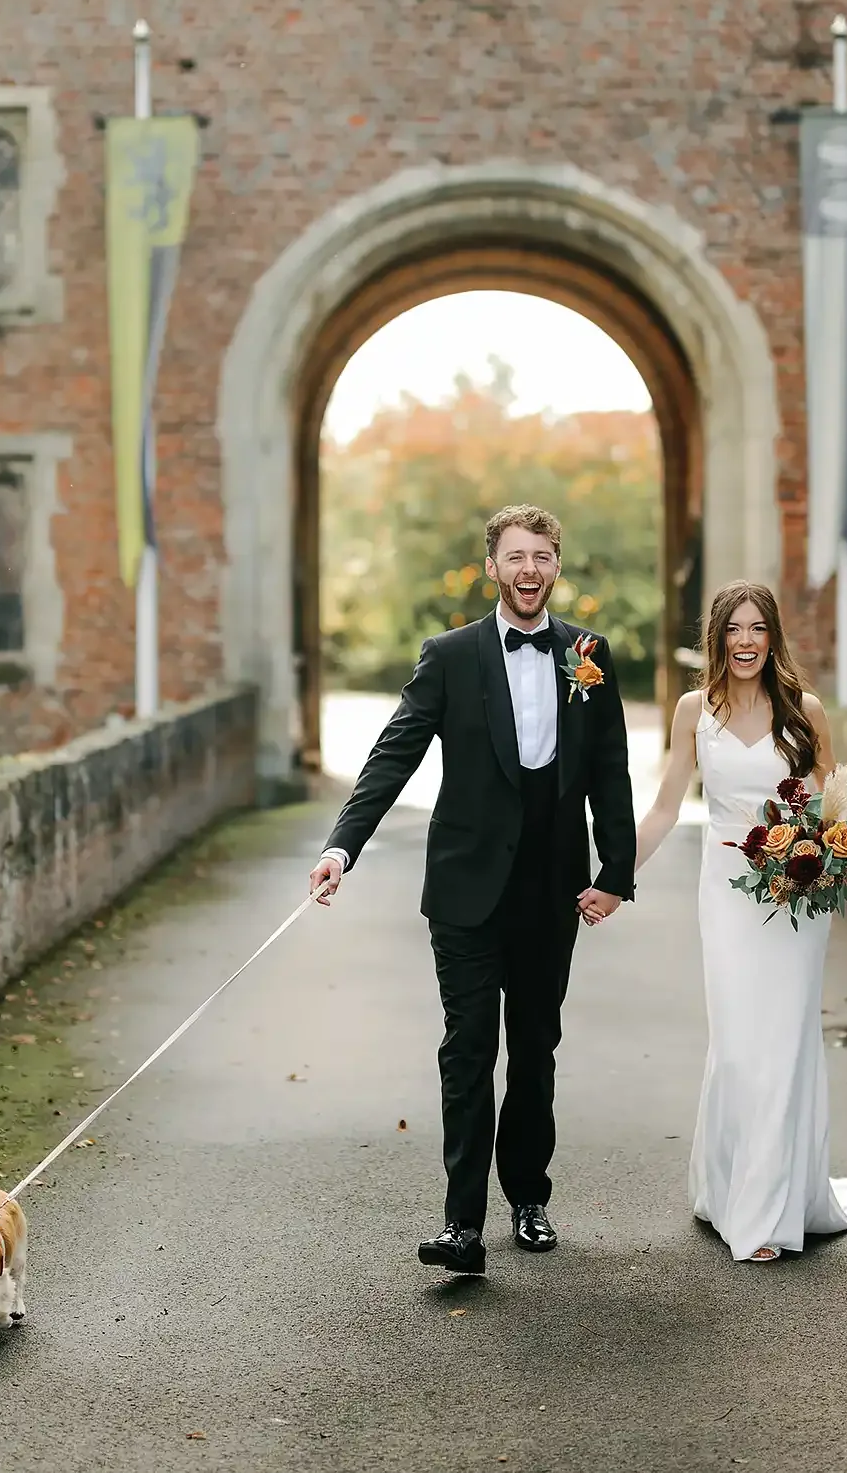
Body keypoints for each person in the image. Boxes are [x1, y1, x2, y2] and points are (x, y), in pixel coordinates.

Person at [308, 504, 635, 1276]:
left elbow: (610, 770)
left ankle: (528, 1197)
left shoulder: (590, 654)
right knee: (467, 1049)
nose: (529, 570)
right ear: (492, 564)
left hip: (551, 887)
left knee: (535, 1046)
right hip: (464, 888)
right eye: (515, 556)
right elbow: (395, 754)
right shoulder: (450, 655)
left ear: (557, 565)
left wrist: (614, 873)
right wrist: (341, 846)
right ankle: (462, 1224)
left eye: (542, 556)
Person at [635, 579, 847, 1263]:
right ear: (717, 637)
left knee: (783, 1041)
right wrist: (612, 873)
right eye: (733, 628)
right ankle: (729, 1190)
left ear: (773, 637)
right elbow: (666, 806)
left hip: (793, 900)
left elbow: (832, 808)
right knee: (739, 1041)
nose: (746, 640)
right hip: (725, 891)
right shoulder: (695, 710)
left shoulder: (803, 711)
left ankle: (768, 1212)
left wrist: (816, 852)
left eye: (758, 628)